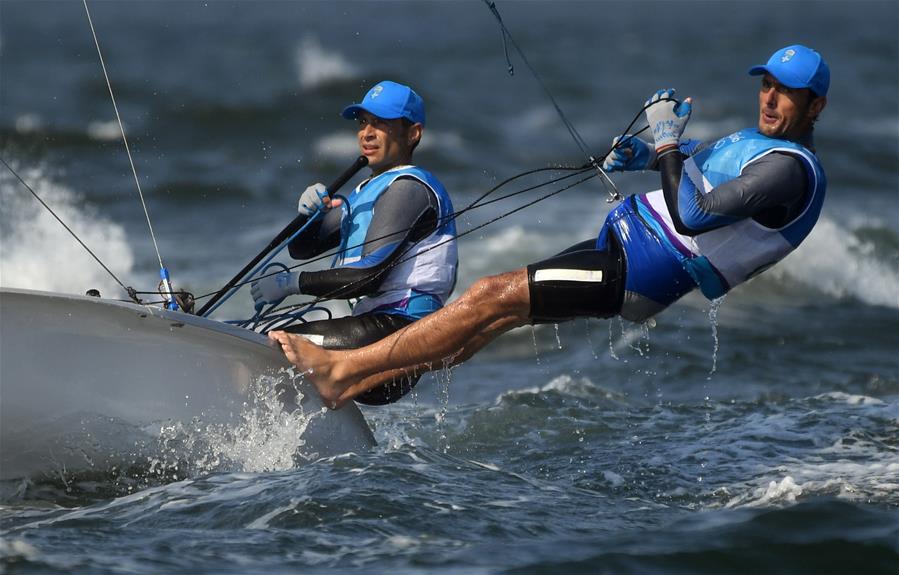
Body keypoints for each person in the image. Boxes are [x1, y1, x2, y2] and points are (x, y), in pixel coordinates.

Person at [269, 45, 829, 409]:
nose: (771, 98)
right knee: (493, 317)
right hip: (622, 248)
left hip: (643, 270)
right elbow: (693, 170)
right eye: (766, 85)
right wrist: (642, 153)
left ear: (816, 106)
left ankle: (342, 374)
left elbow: (695, 213)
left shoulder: (789, 170)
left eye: (787, 91)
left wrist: (665, 143)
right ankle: (358, 378)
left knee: (490, 296)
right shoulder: (754, 145)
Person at [251, 80, 458, 405]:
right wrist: (311, 216)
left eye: (381, 123)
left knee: (269, 346)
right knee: (266, 340)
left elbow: (368, 275)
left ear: (413, 133)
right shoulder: (366, 191)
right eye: (363, 123)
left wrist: (291, 283)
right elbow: (302, 248)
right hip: (372, 327)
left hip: (398, 335)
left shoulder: (408, 188)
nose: (367, 133)